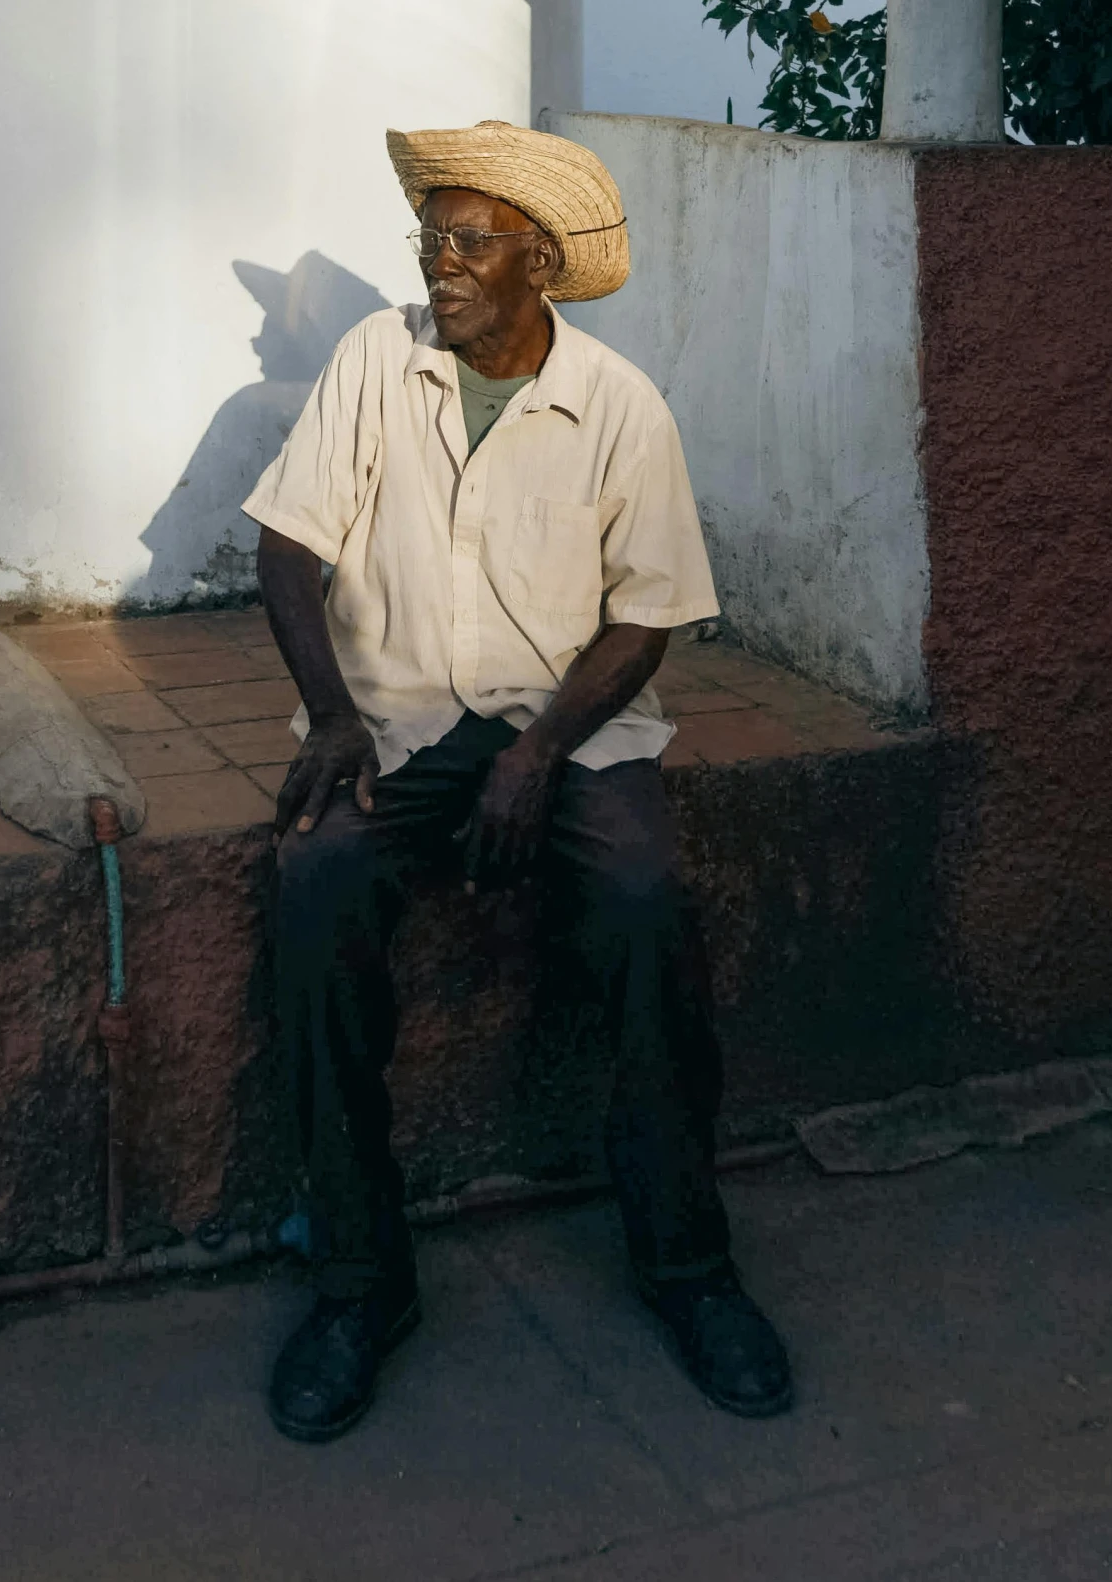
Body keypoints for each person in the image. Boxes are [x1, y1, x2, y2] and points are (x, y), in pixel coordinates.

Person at [244, 120, 792, 1444]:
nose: (440, 263)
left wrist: (541, 752)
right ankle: (359, 1287)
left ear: (538, 260)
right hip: (401, 719)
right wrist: (328, 711)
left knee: (650, 903)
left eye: (469, 241)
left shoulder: (619, 406)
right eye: (431, 237)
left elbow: (647, 617)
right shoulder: (378, 364)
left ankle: (689, 1267)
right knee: (312, 889)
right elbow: (285, 545)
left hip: (573, 726)